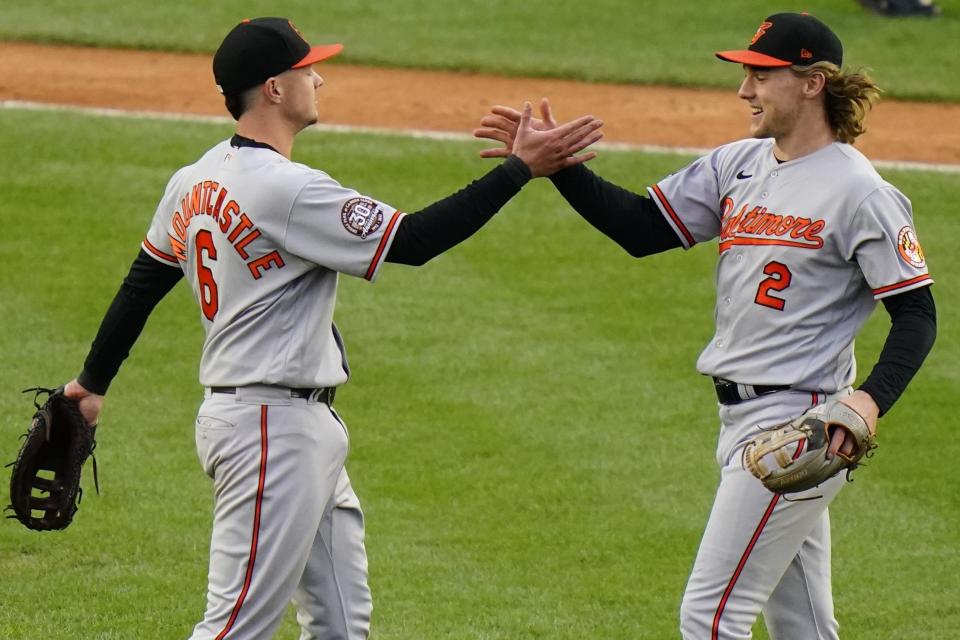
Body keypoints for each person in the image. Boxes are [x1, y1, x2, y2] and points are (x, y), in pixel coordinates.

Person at [60, 16, 603, 640]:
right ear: (273, 88)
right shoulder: (287, 189)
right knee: (235, 627)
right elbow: (415, 241)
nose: (319, 77)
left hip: (289, 426)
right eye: (307, 68)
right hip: (271, 433)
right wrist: (517, 171)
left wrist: (89, 384)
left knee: (343, 624)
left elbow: (142, 283)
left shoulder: (195, 179)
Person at [474, 11, 936, 640]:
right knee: (802, 623)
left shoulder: (861, 192)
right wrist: (560, 169)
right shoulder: (738, 164)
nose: (744, 91)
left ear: (811, 83)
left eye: (761, 76)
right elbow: (642, 230)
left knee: (710, 616)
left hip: (800, 427)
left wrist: (868, 399)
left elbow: (917, 314)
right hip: (742, 420)